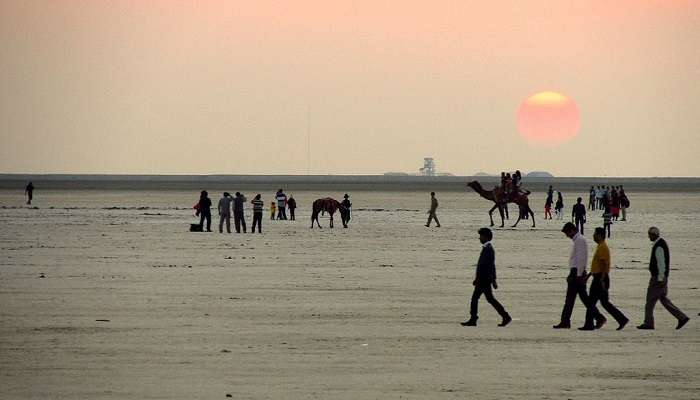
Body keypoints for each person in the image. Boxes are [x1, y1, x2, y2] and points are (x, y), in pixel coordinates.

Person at [553, 222, 605, 329]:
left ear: (572, 230)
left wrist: (579, 275)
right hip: (577, 272)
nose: (567, 236)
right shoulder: (578, 240)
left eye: (567, 233)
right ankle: (598, 317)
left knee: (571, 299)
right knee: (583, 298)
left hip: (577, 273)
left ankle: (565, 321)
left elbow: (582, 259)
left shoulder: (580, 240)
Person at [637, 227, 690, 330]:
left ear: (653, 235)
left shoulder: (659, 246)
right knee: (664, 300)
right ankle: (682, 317)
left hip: (658, 278)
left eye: (649, 234)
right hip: (661, 277)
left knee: (650, 301)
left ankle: (648, 323)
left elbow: (661, 264)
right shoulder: (660, 244)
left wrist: (660, 278)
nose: (648, 237)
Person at [460, 228, 511, 327]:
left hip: (484, 279)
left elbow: (489, 266)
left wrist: (491, 280)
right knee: (488, 299)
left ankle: (474, 319)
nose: (479, 238)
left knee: (476, 299)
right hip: (484, 279)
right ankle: (505, 316)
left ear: (486, 237)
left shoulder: (488, 249)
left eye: (481, 236)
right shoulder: (487, 248)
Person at [579, 227, 628, 330]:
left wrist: (601, 279)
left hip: (600, 278)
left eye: (595, 234)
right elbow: (596, 265)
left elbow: (603, 264)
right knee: (604, 303)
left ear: (600, 236)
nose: (593, 236)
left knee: (591, 302)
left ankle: (589, 324)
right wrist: (588, 276)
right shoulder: (600, 246)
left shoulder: (602, 247)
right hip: (600, 277)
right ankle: (622, 319)